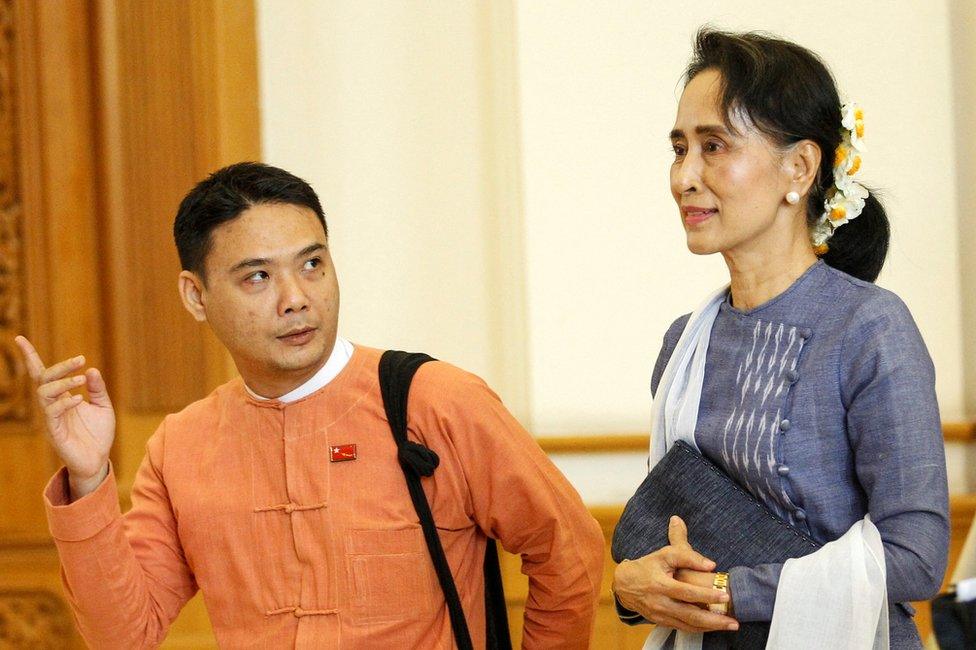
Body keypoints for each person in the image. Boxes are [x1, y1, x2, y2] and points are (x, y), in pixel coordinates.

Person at [16, 162, 604, 649]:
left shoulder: (436, 402)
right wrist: (89, 477)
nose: (296, 299)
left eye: (312, 264)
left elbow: (568, 550)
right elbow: (124, 635)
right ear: (196, 296)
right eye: (257, 278)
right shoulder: (183, 446)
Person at [611, 29, 949, 648]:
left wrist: (730, 591)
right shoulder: (685, 343)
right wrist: (630, 588)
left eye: (714, 146)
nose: (685, 176)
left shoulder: (869, 327)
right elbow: (675, 529)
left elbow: (917, 557)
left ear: (800, 166)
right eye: (679, 148)